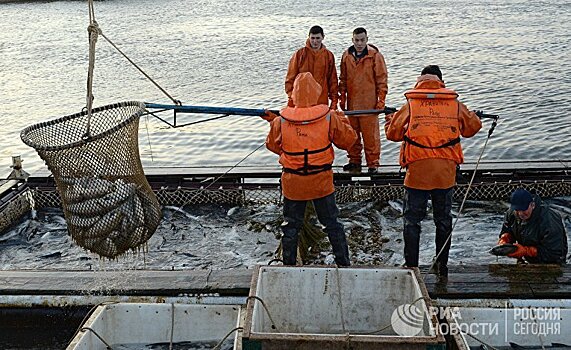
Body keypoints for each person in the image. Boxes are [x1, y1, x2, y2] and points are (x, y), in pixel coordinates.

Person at [384, 65, 482, 277]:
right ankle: (441, 265)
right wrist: (473, 115)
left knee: (412, 220)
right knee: (443, 219)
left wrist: (390, 120)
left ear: (420, 80)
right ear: (441, 81)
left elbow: (393, 134)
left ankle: (412, 267)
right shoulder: (454, 104)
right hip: (445, 173)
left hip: (418, 172)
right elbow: (472, 128)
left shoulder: (411, 103)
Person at [264, 72, 357, 266]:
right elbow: (349, 141)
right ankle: (343, 263)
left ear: (294, 95)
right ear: (316, 93)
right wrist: (342, 119)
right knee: (332, 224)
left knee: (290, 226)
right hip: (321, 182)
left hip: (293, 182)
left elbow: (272, 145)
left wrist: (274, 121)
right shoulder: (329, 117)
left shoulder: (281, 120)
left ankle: (288, 265)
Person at [339, 27, 388, 174]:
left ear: (367, 40)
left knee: (371, 138)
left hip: (369, 105)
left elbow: (382, 79)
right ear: (352, 40)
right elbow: (343, 79)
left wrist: (381, 100)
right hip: (352, 105)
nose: (359, 43)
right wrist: (342, 97)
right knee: (352, 136)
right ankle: (354, 161)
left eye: (362, 40)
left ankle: (373, 164)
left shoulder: (375, 56)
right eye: (356, 40)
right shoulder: (346, 56)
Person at [497, 188, 568, 265]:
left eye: (524, 209)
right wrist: (505, 238)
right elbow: (507, 229)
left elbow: (555, 254)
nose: (520, 214)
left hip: (552, 263)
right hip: (529, 259)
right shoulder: (511, 213)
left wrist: (526, 251)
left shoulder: (549, 220)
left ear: (532, 205)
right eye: (517, 210)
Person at [285, 25, 338, 109]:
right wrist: (291, 97)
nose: (315, 41)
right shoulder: (300, 54)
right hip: (301, 101)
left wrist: (334, 102)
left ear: (323, 37)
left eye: (317, 38)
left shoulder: (328, 56)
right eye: (312, 38)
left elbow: (332, 80)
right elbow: (290, 78)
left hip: (321, 100)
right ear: (308, 37)